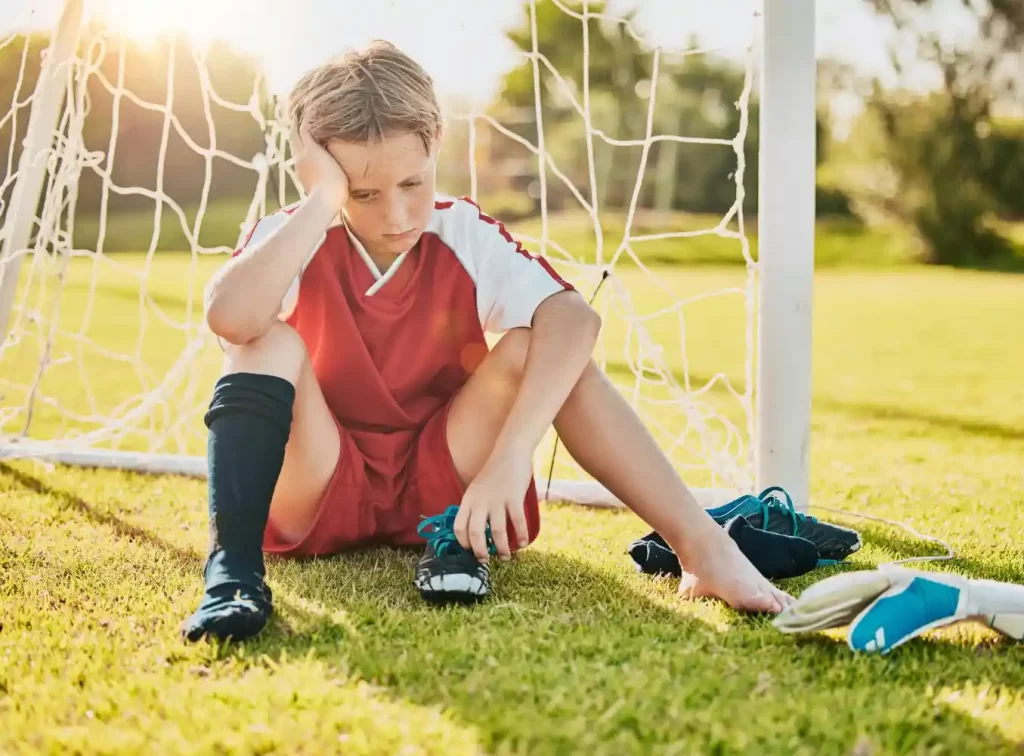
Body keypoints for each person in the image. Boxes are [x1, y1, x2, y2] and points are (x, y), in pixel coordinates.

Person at [181, 40, 795, 643]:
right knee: (265, 342)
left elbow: (575, 320)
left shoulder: (461, 233)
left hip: (453, 494)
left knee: (545, 347)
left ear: (437, 145)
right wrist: (323, 203)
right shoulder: (289, 236)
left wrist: (508, 461)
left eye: (412, 184)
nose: (396, 215)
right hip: (317, 487)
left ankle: (703, 549)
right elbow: (231, 318)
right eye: (364, 194)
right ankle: (233, 571)